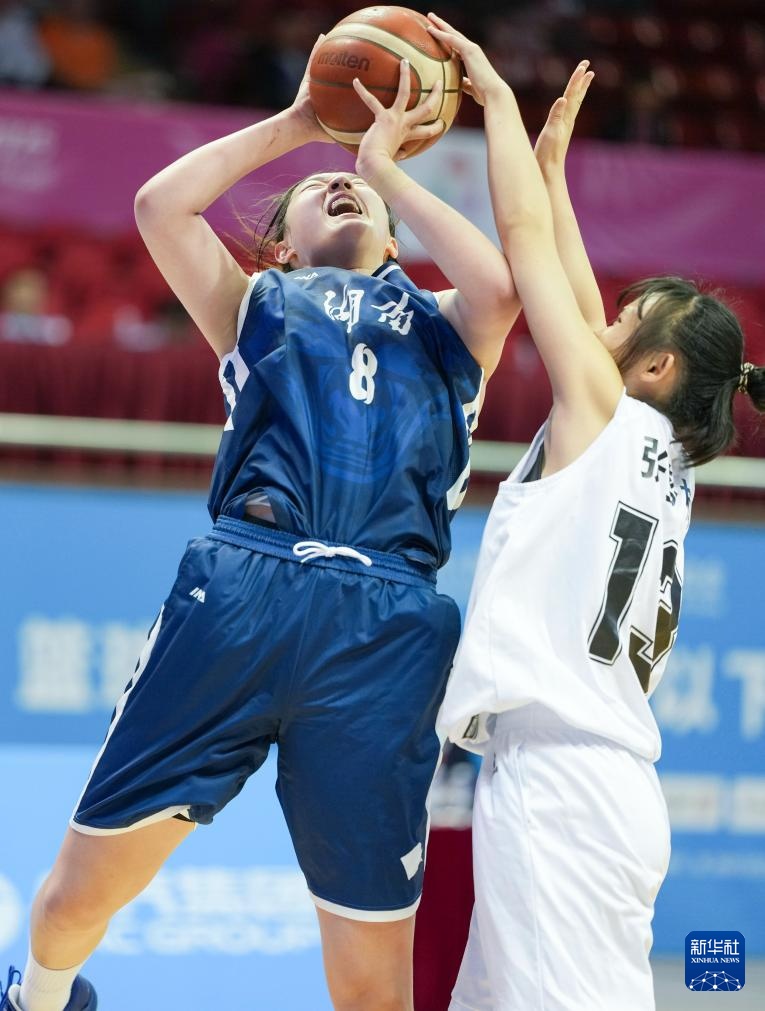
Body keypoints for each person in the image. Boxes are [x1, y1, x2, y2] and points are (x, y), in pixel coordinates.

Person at [0, 42, 521, 1011]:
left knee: (374, 979)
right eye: (316, 190)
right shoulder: (255, 302)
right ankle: (41, 994)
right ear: (280, 248)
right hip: (248, 580)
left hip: (385, 625)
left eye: (353, 191)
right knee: (80, 893)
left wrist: (384, 172)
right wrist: (296, 125)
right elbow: (160, 206)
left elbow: (501, 287)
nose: (339, 186)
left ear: (394, 238)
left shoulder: (446, 324)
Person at [424, 13, 765, 1011]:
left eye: (624, 321)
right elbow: (573, 288)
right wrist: (553, 165)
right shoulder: (657, 451)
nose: (599, 320)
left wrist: (493, 102)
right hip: (591, 780)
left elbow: (528, 247)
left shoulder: (606, 415)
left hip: (562, 786)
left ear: (655, 366)